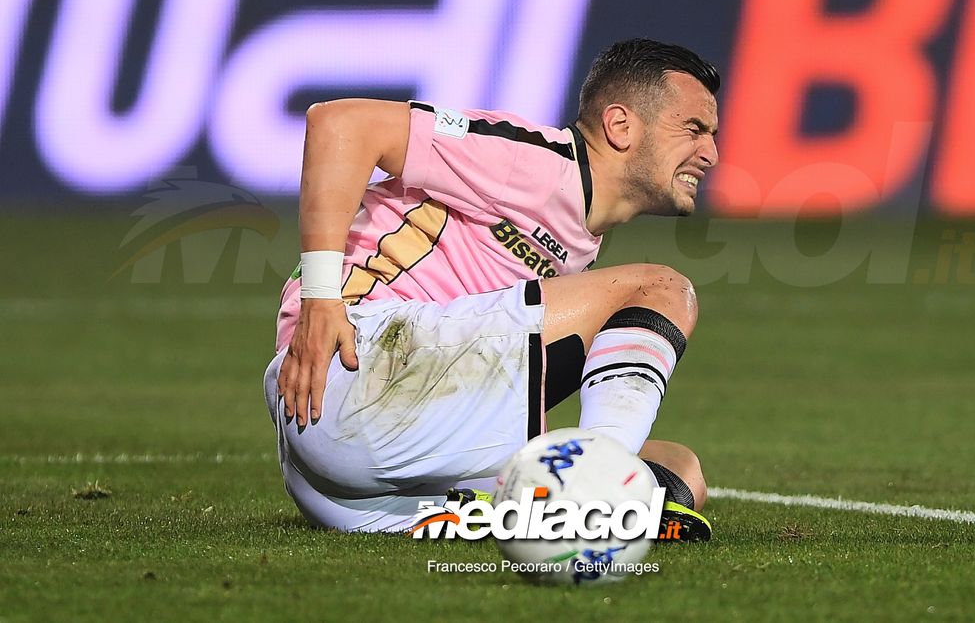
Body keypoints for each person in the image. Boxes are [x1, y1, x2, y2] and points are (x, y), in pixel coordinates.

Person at [265, 38, 719, 536]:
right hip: (351, 370)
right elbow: (340, 123)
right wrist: (321, 300)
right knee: (661, 289)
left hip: (346, 478)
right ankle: (595, 484)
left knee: (679, 471)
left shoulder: (582, 239)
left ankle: (527, 508)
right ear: (620, 125)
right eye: (693, 129)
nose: (711, 153)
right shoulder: (537, 162)